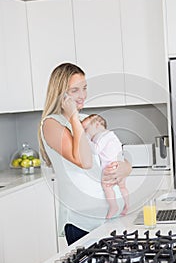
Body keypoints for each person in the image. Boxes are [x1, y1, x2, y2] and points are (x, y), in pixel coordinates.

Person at [38, 62, 132, 246]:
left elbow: (114, 150)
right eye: (75, 90)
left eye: (84, 88)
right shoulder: (51, 124)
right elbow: (85, 161)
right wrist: (72, 116)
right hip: (81, 223)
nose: (82, 95)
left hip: (107, 220)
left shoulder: (84, 120)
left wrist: (126, 168)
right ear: (61, 94)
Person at [81, 114, 129, 219]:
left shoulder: (102, 136)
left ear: (97, 125)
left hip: (110, 167)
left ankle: (113, 206)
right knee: (122, 186)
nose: (85, 133)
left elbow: (95, 150)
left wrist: (86, 140)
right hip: (118, 164)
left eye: (86, 129)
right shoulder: (111, 135)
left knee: (107, 186)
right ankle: (126, 205)